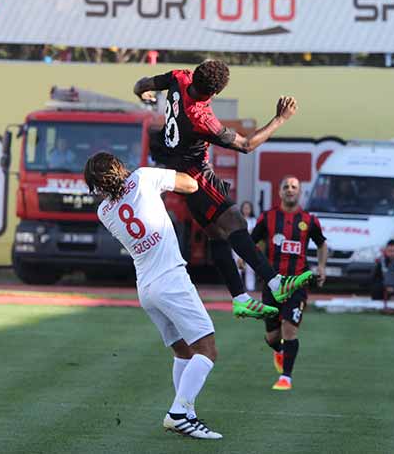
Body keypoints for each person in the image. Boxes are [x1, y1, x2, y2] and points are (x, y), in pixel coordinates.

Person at [133, 60, 313, 320]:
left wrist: (143, 93)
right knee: (235, 222)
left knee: (216, 234)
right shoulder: (201, 118)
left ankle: (240, 298)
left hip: (176, 167)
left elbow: (143, 84)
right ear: (215, 93)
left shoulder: (179, 77)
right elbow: (247, 144)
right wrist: (279, 119)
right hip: (195, 172)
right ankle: (275, 283)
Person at [84, 152, 222, 440]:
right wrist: (192, 164)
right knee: (207, 350)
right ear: (118, 167)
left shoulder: (104, 213)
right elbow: (191, 185)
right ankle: (178, 413)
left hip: (146, 287)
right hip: (170, 278)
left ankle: (188, 414)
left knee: (182, 351)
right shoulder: (144, 177)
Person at [250, 176, 328, 391]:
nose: (290, 190)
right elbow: (250, 241)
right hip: (272, 284)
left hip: (297, 284)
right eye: (286, 186)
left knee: (289, 329)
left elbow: (322, 244)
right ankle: (278, 350)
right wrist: (242, 257)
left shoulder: (309, 220)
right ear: (280, 192)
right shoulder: (268, 218)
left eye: (294, 187)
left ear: (300, 192)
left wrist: (321, 266)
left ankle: (286, 377)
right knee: (272, 336)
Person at [235, 201, 257, 291]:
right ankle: (237, 287)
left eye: (248, 208)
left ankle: (250, 287)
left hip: (249, 245)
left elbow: (254, 233)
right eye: (245, 208)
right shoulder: (238, 219)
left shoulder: (254, 220)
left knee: (250, 267)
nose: (246, 210)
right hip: (237, 245)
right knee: (237, 266)